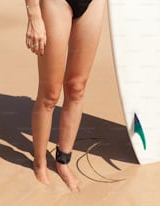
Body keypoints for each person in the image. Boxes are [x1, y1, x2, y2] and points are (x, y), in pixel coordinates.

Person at [25, 0, 106, 191]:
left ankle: (63, 161)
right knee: (50, 94)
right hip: (57, 3)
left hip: (94, 4)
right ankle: (40, 163)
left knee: (77, 88)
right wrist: (34, 14)